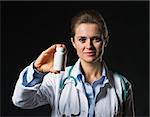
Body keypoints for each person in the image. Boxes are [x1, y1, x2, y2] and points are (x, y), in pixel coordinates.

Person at [12, 9, 135, 117]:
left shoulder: (122, 85)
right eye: (82, 40)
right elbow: (21, 101)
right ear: (73, 42)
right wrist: (37, 71)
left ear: (105, 41)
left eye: (96, 39)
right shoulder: (58, 79)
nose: (89, 46)